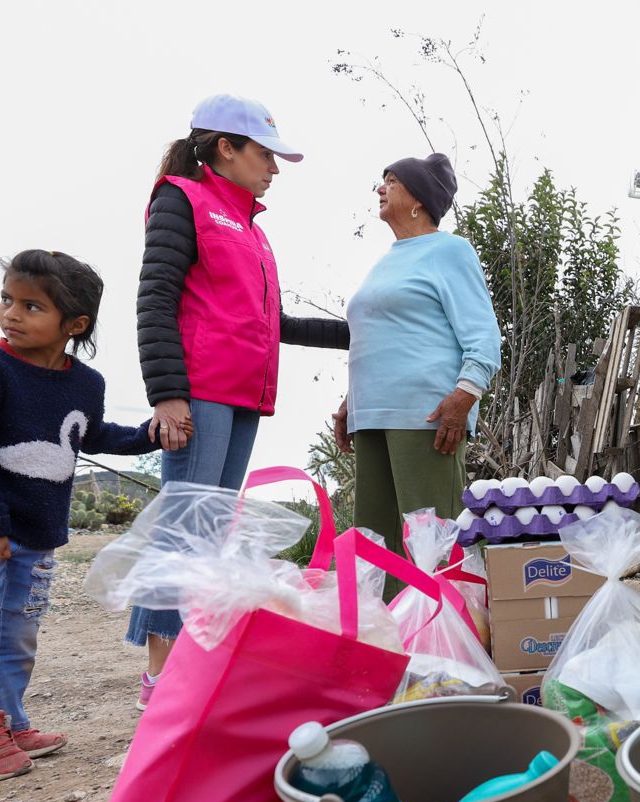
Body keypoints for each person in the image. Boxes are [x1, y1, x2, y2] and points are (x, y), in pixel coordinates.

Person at [128, 94, 349, 708]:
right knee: (185, 527)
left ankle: (187, 658)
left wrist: (360, 329)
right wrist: (168, 394)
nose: (274, 168)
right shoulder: (183, 200)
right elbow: (155, 299)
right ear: (225, 148)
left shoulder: (251, 228)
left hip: (242, 396)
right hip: (199, 392)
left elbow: (268, 321)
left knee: (210, 531)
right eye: (266, 154)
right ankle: (160, 671)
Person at [0, 251, 161, 781]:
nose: (11, 313)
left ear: (73, 325)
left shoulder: (86, 383)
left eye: (31, 306)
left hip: (36, 533)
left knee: (17, 631)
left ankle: (7, 718)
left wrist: (145, 434)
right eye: (7, 299)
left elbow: (91, 434)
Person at [332, 154, 501, 578]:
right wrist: (349, 403)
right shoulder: (387, 260)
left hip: (426, 416)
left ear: (419, 200)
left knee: (431, 541)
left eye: (391, 180)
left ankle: (445, 637)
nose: (380, 188)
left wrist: (465, 397)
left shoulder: (449, 251)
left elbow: (483, 335)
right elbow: (378, 337)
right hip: (372, 418)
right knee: (375, 544)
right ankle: (387, 637)